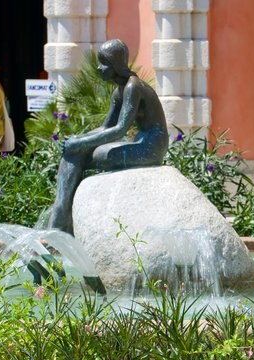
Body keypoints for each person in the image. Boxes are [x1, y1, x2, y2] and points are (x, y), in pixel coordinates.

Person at [49, 39, 168, 235]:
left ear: (116, 65)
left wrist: (80, 142)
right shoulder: (118, 91)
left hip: (150, 146)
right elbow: (106, 127)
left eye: (104, 62)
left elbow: (120, 129)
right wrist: (77, 140)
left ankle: (61, 221)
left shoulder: (133, 87)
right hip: (138, 142)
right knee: (74, 152)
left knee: (95, 154)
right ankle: (61, 211)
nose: (98, 67)